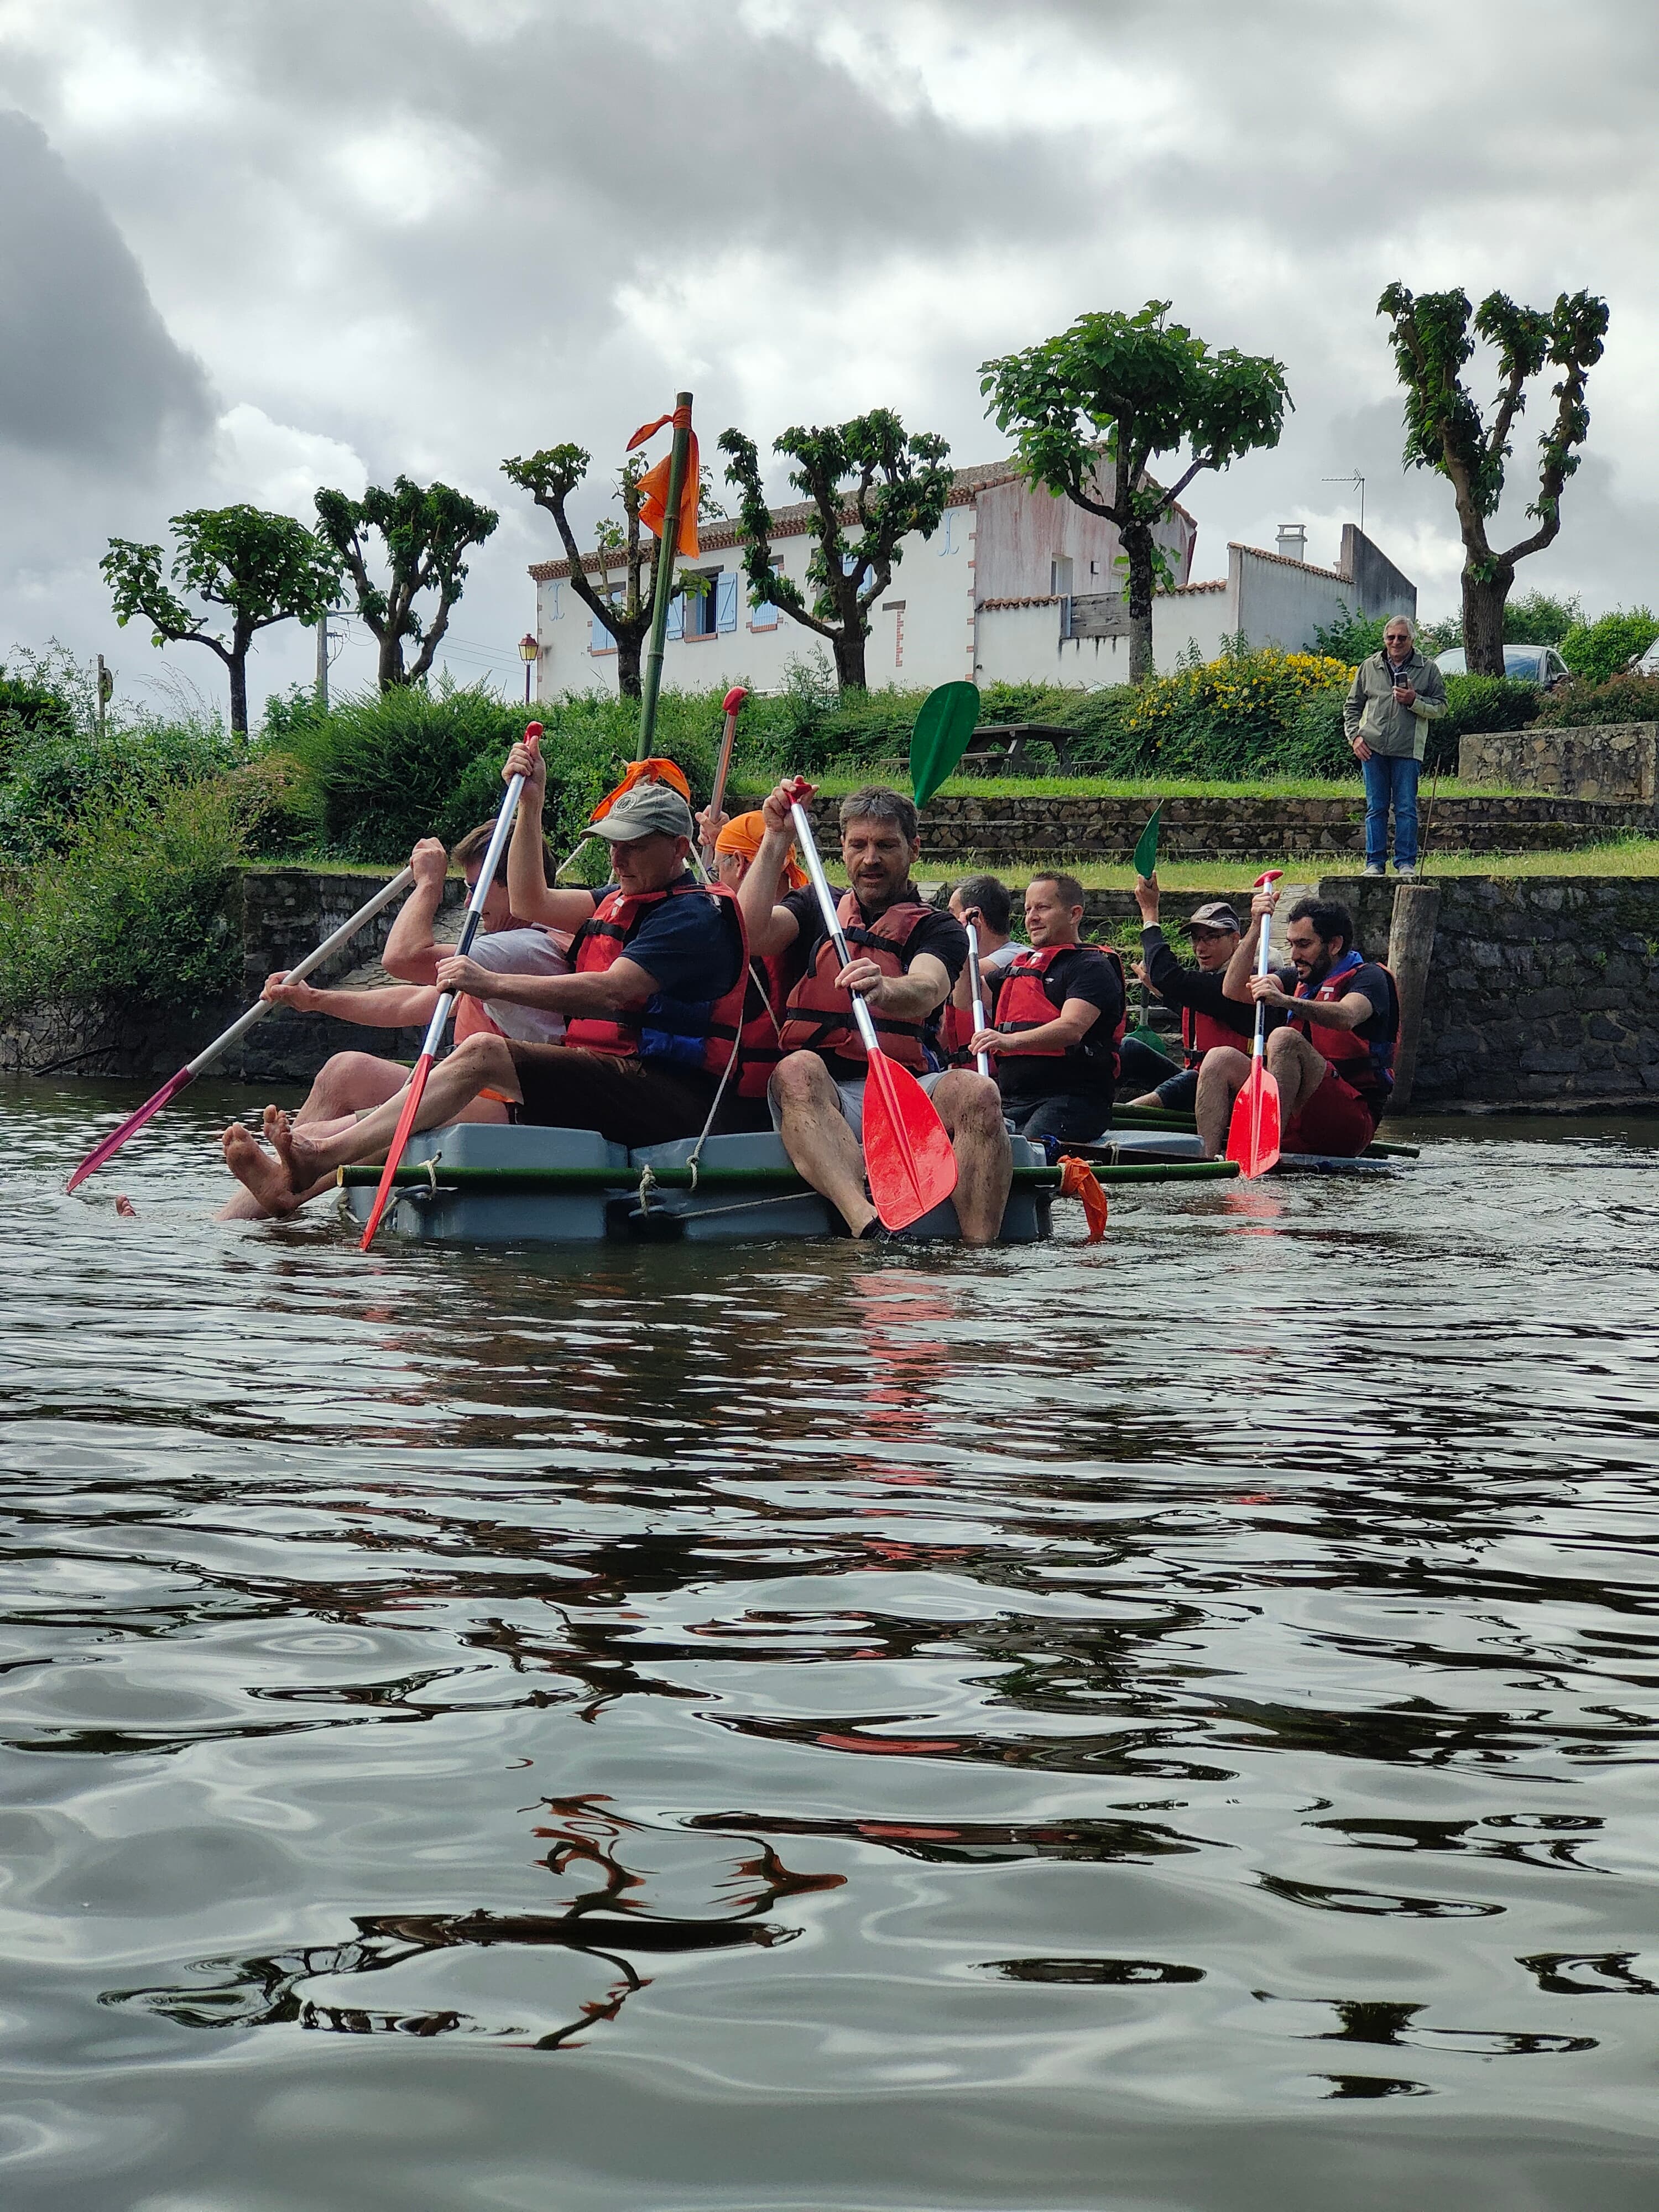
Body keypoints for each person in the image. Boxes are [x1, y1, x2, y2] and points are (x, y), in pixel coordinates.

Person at [220, 748, 748, 1217]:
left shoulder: (692, 918)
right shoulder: (619, 898)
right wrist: (530, 803)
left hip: (673, 1094)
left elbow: (611, 990)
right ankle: (271, 1195)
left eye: (633, 846)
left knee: (484, 1052)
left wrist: (491, 983)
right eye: (613, 844)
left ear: (681, 850)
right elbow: (530, 902)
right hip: (608, 1076)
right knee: (383, 1069)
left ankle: (316, 1162)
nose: (618, 858)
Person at [216, 827, 571, 1220]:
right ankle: (272, 1193)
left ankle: (263, 1204)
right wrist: (313, 999)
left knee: (316, 1137)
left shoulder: (523, 949)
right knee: (344, 1070)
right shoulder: (501, 951)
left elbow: (402, 957)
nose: (470, 901)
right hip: (478, 1091)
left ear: (515, 887)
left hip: (516, 1106)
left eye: (476, 887)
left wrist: (429, 886)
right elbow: (409, 1003)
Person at [736, 781, 1011, 1243]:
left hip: (908, 1089)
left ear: (914, 848)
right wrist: (777, 837)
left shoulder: (937, 927)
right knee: (796, 1069)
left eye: (886, 845)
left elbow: (927, 987)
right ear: (842, 849)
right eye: (858, 845)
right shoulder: (814, 907)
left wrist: (885, 987)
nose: (870, 859)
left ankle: (978, 1254)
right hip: (829, 1095)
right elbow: (749, 932)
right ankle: (867, 1223)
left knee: (978, 1092)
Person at [1195, 886, 1397, 1160]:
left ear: (1334, 945)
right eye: (1291, 945)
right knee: (1219, 1058)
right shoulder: (1298, 978)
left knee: (1283, 1038)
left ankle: (1262, 1150)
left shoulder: (1369, 978)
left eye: (1304, 945)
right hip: (1299, 1112)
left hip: (1350, 1118)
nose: (1294, 955)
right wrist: (1256, 925)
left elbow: (1346, 1015)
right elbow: (1232, 990)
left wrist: (1285, 1001)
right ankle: (1208, 1158)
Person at [967, 872, 1125, 1145]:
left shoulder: (1090, 966)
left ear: (1074, 914)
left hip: (1073, 1099)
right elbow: (967, 996)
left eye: (1043, 908)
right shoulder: (1022, 964)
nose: (1032, 917)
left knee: (1024, 1150)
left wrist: (1008, 1040)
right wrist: (962, 946)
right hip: (1014, 1099)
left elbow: (1072, 1028)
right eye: (1028, 909)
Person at [1126, 878, 1257, 1112]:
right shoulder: (1210, 987)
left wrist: (1149, 911)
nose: (1200, 947)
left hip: (1230, 1094)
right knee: (1130, 1049)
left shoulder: (1242, 985)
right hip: (1197, 1079)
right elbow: (1195, 1010)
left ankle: (1119, 1115)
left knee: (1191, 1080)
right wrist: (1158, 988)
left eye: (1212, 937)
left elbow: (1171, 978)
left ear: (1235, 940)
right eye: (1197, 938)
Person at [1344, 614, 1447, 880]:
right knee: (1376, 808)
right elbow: (1352, 706)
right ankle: (1374, 863)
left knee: (1405, 808)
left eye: (1402, 637)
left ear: (1411, 639)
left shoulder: (1428, 669)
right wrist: (1355, 737)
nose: (1396, 642)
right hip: (1373, 747)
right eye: (1391, 637)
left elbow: (1442, 708)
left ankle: (1405, 864)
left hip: (1407, 749)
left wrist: (1414, 701)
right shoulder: (1369, 666)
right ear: (1385, 639)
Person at [941, 874, 1024, 1062]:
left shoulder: (1017, 958)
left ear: (974, 916)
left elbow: (953, 978)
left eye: (952, 913)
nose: (947, 922)